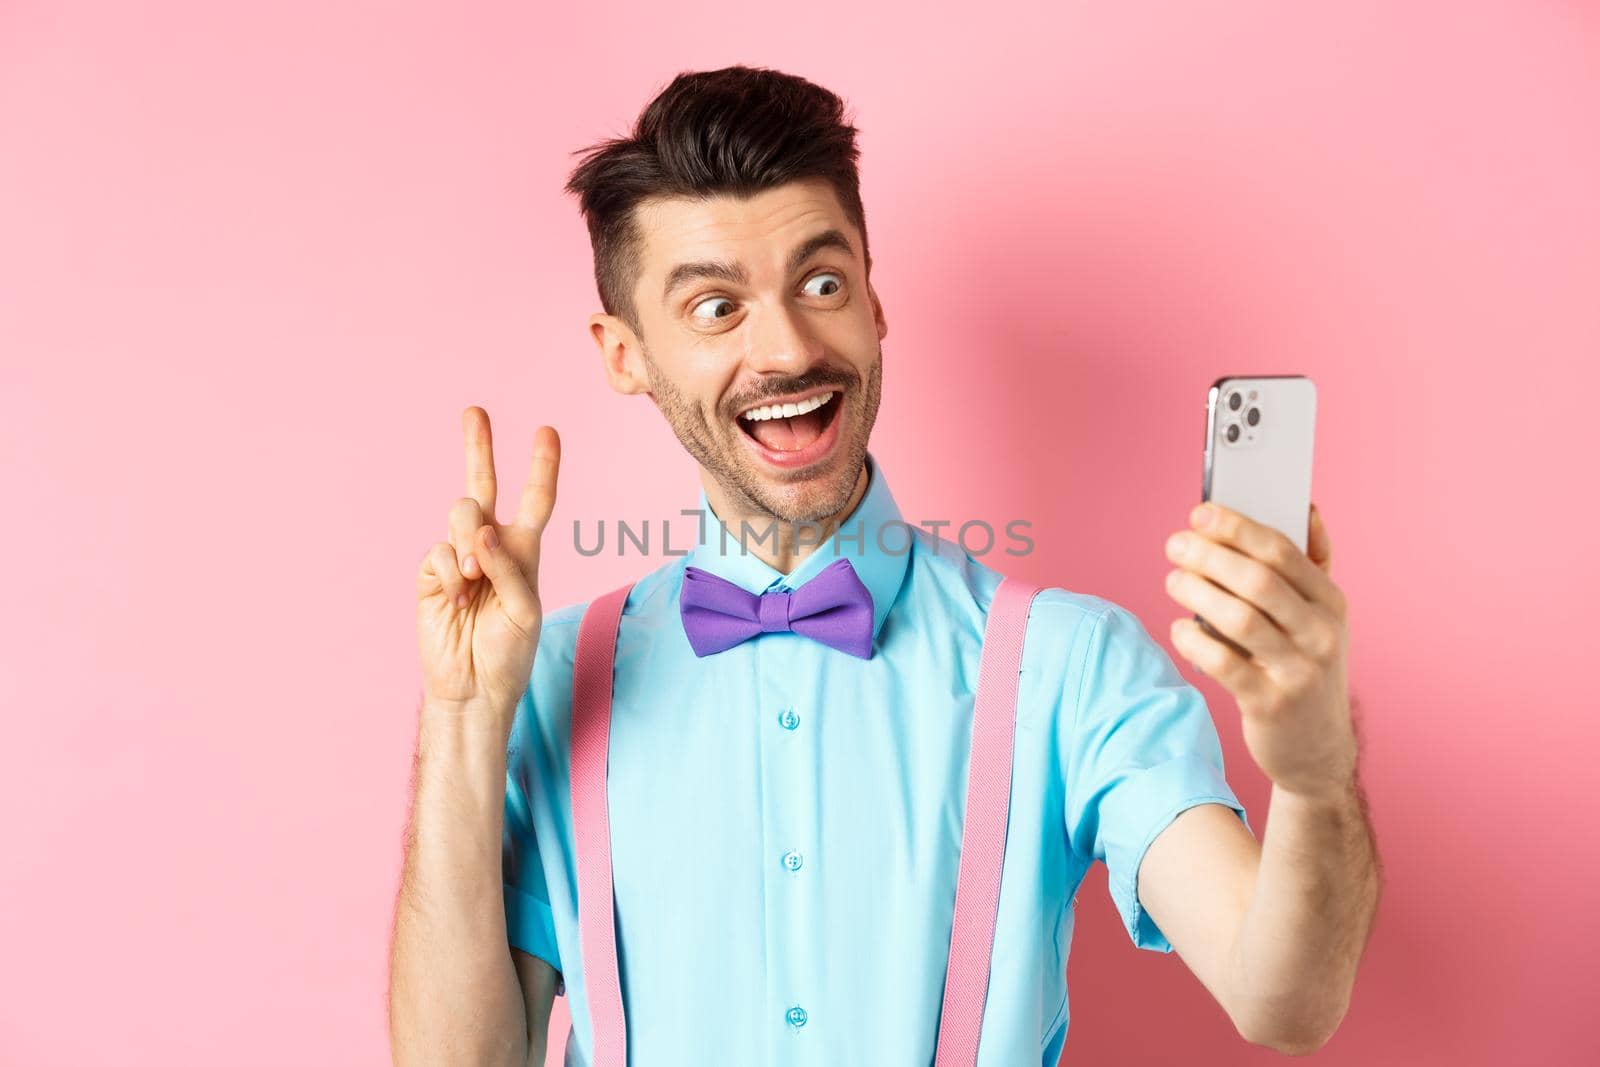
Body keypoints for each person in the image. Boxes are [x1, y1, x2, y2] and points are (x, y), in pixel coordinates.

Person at [388, 65, 1380, 1066]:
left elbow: (1280, 997)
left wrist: (1312, 769)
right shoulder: (550, 681)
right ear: (624, 352)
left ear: (872, 301)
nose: (785, 348)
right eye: (714, 308)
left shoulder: (1070, 665)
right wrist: (466, 720)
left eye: (821, 284)